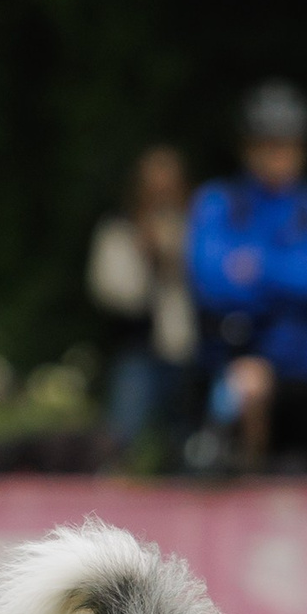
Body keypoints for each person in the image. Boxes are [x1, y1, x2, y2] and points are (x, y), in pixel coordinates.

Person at [185, 81, 307, 474]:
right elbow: (210, 281)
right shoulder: (217, 203)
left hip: (305, 377)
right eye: (268, 144)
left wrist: (259, 267)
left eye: (288, 144)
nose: (279, 155)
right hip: (229, 364)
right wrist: (295, 278)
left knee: (302, 489)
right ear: (247, 147)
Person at [88, 145, 195, 463]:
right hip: (136, 350)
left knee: (185, 446)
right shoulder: (117, 231)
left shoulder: (198, 230)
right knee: (120, 441)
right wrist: (143, 258)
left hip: (187, 351)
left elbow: (209, 287)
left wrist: (174, 259)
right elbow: (111, 293)